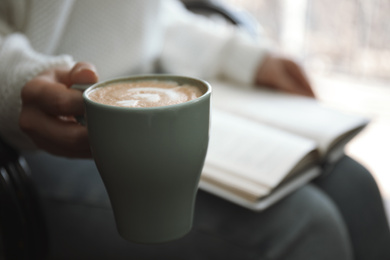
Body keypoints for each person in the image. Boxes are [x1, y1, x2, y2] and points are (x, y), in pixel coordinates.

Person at [0, 1, 389, 259]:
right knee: (308, 226)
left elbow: (149, 15)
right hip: (44, 136)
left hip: (152, 96)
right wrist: (16, 84)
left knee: (355, 185)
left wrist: (244, 57)